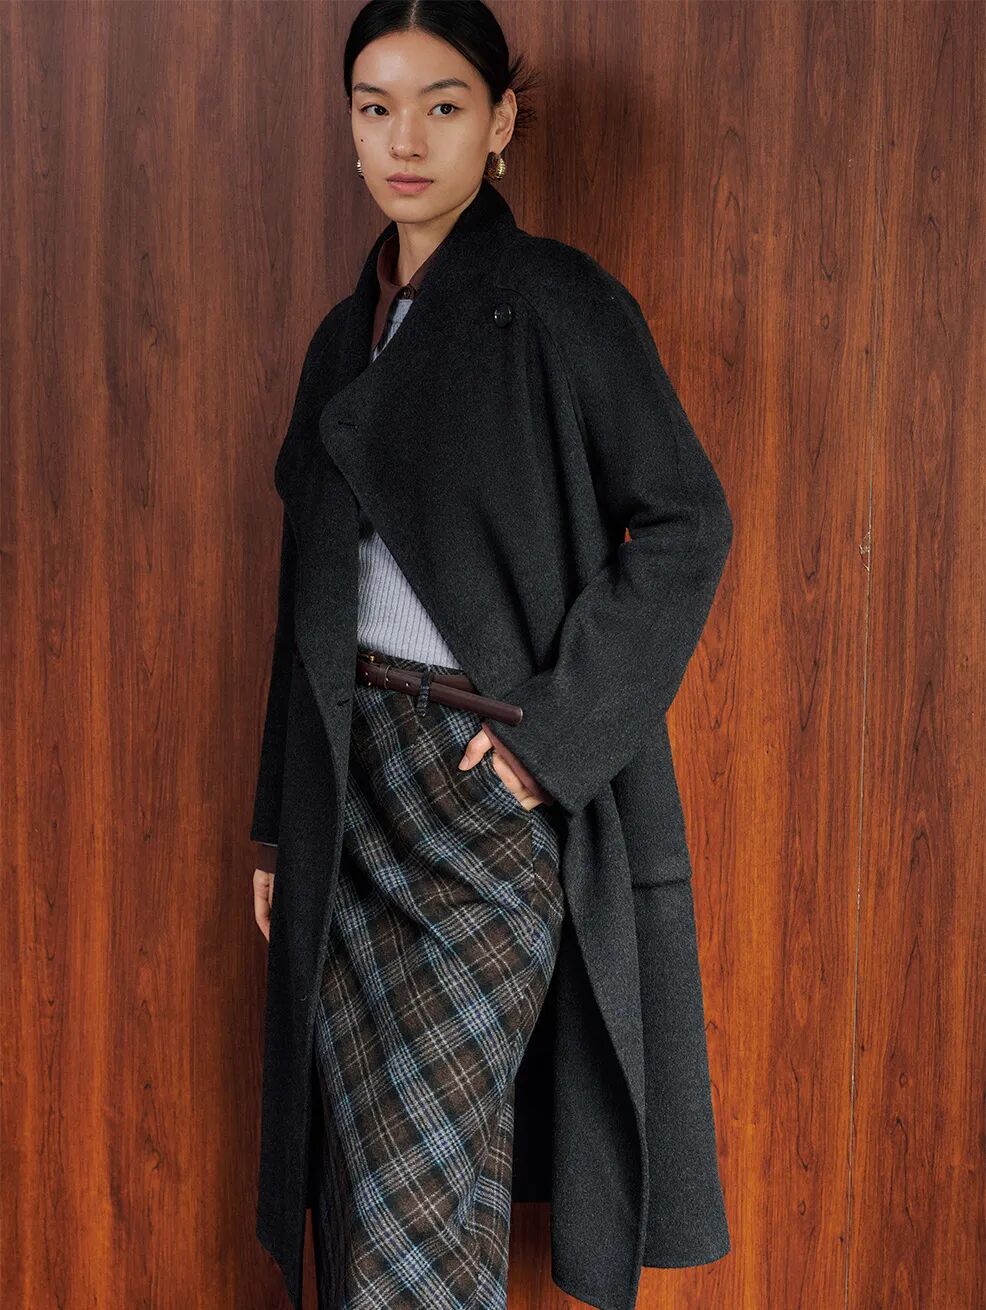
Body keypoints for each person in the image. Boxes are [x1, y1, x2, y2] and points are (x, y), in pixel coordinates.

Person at [250, 3, 733, 1309]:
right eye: (375, 108)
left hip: (480, 801)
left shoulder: (561, 304)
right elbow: (306, 604)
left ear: (500, 121)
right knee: (376, 1195)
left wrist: (548, 742)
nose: (405, 140)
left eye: (443, 105)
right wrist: (278, 826)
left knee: (423, 1189)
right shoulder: (340, 341)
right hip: (349, 793)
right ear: (351, 128)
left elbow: (686, 523)